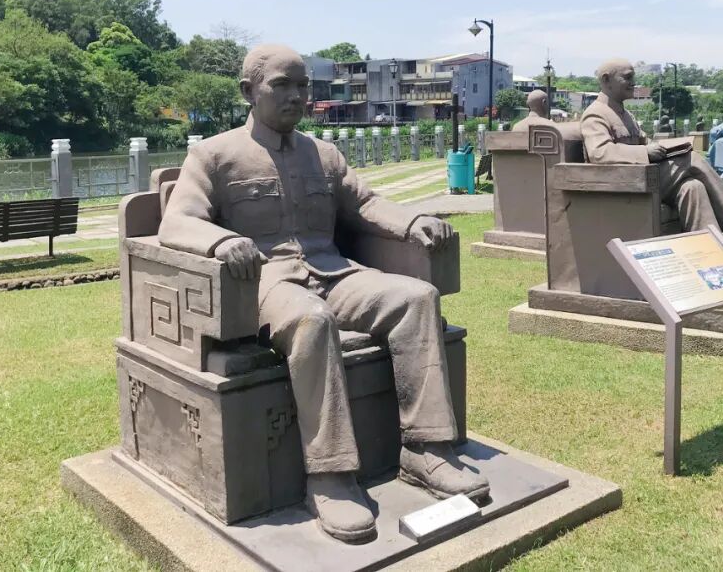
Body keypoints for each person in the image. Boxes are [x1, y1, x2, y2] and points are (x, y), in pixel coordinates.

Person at [158, 44, 487, 543]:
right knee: (313, 320)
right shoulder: (214, 155)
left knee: (416, 298)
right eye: (281, 85)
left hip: (335, 273)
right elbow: (177, 220)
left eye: (302, 86)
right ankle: (330, 476)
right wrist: (222, 240)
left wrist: (414, 220)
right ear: (249, 91)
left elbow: (367, 204)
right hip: (269, 284)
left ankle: (425, 450)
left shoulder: (324, 153)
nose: (296, 96)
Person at [580, 58, 723, 252]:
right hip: (624, 185)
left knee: (693, 187)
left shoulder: (626, 114)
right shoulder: (596, 114)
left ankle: (711, 254)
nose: (633, 82)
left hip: (644, 179)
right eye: (627, 77)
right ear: (606, 80)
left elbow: (644, 141)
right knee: (691, 160)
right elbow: (600, 152)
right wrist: (645, 152)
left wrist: (665, 147)